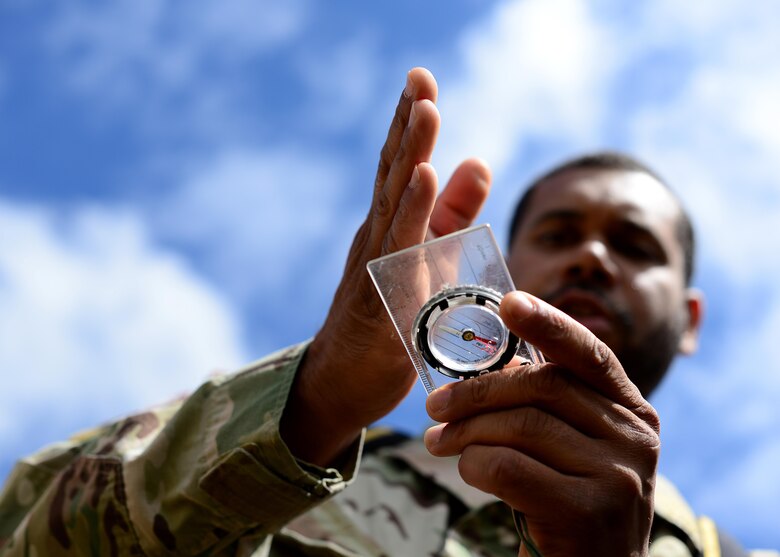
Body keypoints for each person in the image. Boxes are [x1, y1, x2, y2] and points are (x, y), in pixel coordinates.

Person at [0, 68, 775, 557]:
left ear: (691, 318)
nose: (592, 258)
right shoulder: (309, 478)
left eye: (635, 246)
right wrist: (317, 399)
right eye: (558, 233)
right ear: (503, 268)